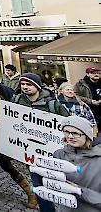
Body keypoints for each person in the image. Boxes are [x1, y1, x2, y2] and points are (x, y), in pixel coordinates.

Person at [12, 73, 69, 212]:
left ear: (37, 86)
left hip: (52, 154)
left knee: (59, 187)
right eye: (23, 84)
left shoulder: (52, 104)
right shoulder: (17, 100)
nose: (25, 87)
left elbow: (68, 122)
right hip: (31, 153)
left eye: (29, 84)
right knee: (39, 185)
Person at [52, 115, 101, 212]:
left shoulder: (98, 160)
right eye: (66, 132)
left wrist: (79, 191)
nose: (70, 136)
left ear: (87, 135)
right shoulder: (59, 154)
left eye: (75, 133)